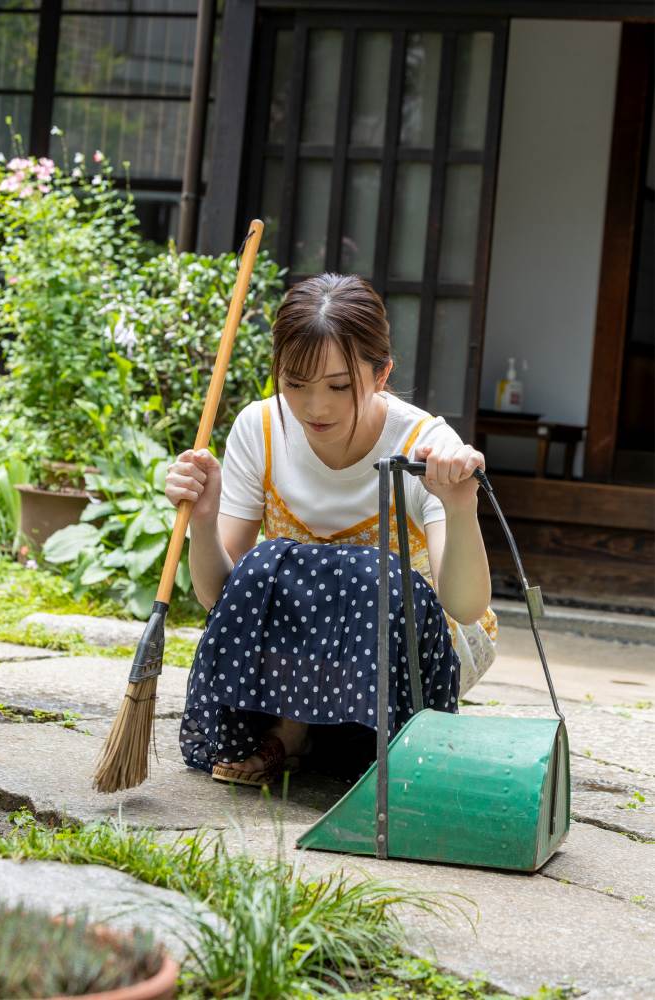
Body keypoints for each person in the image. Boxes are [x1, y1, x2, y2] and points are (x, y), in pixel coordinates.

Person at [165, 273, 497, 787]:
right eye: (294, 384)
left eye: (340, 386)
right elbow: (220, 599)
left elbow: (465, 606)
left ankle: (355, 738)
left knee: (369, 576)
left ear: (382, 373)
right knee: (269, 565)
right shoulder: (261, 428)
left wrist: (459, 506)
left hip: (406, 652)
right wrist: (203, 519)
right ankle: (295, 733)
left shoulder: (422, 442)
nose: (315, 408)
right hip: (304, 646)